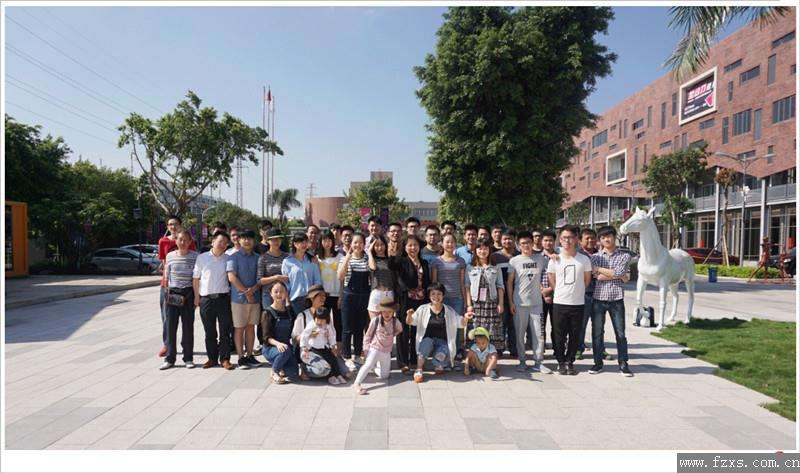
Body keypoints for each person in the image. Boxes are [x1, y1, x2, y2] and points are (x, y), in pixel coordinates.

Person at [546, 226, 592, 376]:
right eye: (564, 238)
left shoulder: (584, 260)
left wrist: (576, 291)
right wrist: (559, 291)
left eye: (571, 237)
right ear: (560, 240)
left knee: (575, 335)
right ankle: (560, 362)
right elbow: (551, 279)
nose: (567, 240)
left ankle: (569, 361)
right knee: (558, 335)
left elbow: (586, 280)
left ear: (576, 239)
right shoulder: (555, 260)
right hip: (559, 302)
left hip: (577, 303)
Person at [589, 226, 633, 377]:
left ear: (614, 237)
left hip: (616, 299)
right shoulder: (595, 257)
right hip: (598, 299)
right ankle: (597, 363)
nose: (606, 239)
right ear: (600, 240)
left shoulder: (624, 255)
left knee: (620, 333)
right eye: (603, 237)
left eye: (609, 236)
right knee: (597, 333)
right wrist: (617, 275)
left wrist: (600, 270)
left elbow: (620, 273)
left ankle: (623, 364)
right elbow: (596, 276)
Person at [406, 282, 471, 382]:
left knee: (444, 351)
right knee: (425, 345)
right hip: (428, 340)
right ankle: (419, 369)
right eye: (433, 294)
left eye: (439, 294)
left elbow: (461, 323)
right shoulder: (423, 309)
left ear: (443, 295)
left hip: (442, 342)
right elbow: (410, 322)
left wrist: (466, 318)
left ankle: (438, 364)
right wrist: (409, 315)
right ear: (429, 296)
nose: (436, 297)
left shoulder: (449, 310)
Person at [507, 230, 552, 374]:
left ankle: (538, 362)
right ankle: (522, 361)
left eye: (528, 242)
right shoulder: (514, 261)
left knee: (539, 334)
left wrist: (548, 289)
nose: (526, 245)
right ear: (518, 245)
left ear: (533, 243)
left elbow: (553, 267)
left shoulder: (541, 259)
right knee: (519, 335)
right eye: (523, 243)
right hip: (519, 303)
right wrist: (511, 302)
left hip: (537, 304)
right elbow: (509, 283)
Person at [193, 230, 235, 370]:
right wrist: (197, 297)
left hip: (223, 299)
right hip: (206, 300)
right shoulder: (202, 257)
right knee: (209, 331)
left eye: (225, 243)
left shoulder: (228, 259)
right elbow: (196, 278)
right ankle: (212, 358)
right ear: (213, 242)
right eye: (220, 241)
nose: (223, 245)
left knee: (225, 331)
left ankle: (225, 359)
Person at [157, 215, 196, 358]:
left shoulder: (188, 241)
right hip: (168, 285)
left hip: (186, 289)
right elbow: (163, 262)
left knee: (187, 321)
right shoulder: (163, 241)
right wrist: (166, 281)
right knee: (167, 318)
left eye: (175, 224)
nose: (172, 227)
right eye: (170, 224)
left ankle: (187, 351)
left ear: (180, 225)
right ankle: (167, 345)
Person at [227, 229, 262, 370]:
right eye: (244, 238)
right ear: (239, 240)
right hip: (239, 299)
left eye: (249, 238)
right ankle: (241, 357)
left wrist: (253, 290)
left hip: (255, 298)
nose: (247, 241)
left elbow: (260, 278)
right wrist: (246, 292)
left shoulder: (258, 257)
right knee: (239, 328)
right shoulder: (233, 257)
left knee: (251, 327)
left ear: (254, 241)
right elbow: (232, 277)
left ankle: (250, 355)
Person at [465, 237, 505, 355]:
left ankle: (492, 355)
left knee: (492, 329)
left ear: (489, 250)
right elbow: (467, 287)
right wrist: (469, 305)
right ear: (475, 250)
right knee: (476, 329)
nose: (482, 251)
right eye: (479, 248)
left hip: (491, 303)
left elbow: (500, 286)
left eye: (485, 248)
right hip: (476, 304)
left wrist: (501, 303)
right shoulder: (470, 267)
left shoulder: (495, 267)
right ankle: (477, 355)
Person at [353, 300, 403, 395]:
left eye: (389, 311)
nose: (387, 314)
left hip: (386, 351)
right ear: (381, 312)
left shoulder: (395, 321)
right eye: (384, 311)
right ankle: (357, 383)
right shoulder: (375, 320)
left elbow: (400, 329)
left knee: (385, 376)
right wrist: (366, 349)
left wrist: (392, 335)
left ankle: (374, 368)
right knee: (367, 365)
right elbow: (368, 335)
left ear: (393, 312)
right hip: (375, 348)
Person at [431, 233, 468, 360]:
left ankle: (456, 351)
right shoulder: (436, 261)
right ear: (442, 244)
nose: (449, 244)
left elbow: (462, 282)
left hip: (457, 298)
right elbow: (434, 283)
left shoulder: (461, 261)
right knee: (442, 326)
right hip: (442, 299)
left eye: (452, 242)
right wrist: (435, 301)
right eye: (447, 242)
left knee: (457, 326)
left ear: (455, 244)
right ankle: (442, 351)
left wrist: (465, 301)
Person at [337, 232, 371, 366]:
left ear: (364, 244)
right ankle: (346, 356)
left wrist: (370, 254)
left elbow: (372, 271)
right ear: (351, 244)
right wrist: (347, 256)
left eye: (360, 242)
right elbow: (340, 276)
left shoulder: (367, 258)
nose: (358, 245)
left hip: (364, 297)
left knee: (359, 327)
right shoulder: (344, 258)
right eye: (355, 242)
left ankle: (357, 354)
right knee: (347, 328)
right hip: (349, 296)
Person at [256, 228, 289, 347]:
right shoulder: (263, 258)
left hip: (283, 294)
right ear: (268, 241)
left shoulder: (287, 257)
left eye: (278, 239)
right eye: (273, 240)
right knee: (268, 320)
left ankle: (282, 344)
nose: (276, 242)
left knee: (282, 320)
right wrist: (276, 277)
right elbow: (259, 280)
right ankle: (267, 345)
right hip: (267, 295)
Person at [261, 281, 299, 384]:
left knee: (293, 374)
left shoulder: (289, 311)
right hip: (271, 348)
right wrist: (278, 344)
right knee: (284, 351)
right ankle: (274, 372)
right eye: (276, 291)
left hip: (286, 347)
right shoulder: (267, 313)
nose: (279, 294)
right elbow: (265, 337)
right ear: (271, 294)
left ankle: (280, 365)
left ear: (286, 293)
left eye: (282, 291)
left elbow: (295, 329)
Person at [300, 308, 347, 385]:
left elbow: (331, 336)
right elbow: (304, 335)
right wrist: (304, 347)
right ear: (314, 318)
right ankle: (331, 376)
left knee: (332, 359)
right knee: (326, 362)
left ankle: (338, 375)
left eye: (322, 320)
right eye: (317, 319)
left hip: (324, 347)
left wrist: (333, 346)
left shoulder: (327, 326)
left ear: (326, 319)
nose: (319, 322)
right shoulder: (312, 325)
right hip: (313, 348)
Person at [491, 228, 519, 358]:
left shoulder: (519, 255)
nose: (507, 241)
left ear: (514, 240)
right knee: (500, 323)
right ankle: (499, 349)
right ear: (501, 240)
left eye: (510, 239)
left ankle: (514, 349)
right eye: (505, 239)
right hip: (500, 295)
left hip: (516, 295)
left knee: (514, 324)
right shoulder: (494, 256)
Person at [282, 233, 323, 315]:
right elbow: (286, 283)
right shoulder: (287, 261)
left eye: (305, 242)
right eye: (301, 242)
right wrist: (287, 300)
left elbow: (317, 280)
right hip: (295, 300)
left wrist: (316, 296)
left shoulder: (312, 260)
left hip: (311, 298)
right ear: (295, 244)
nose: (304, 245)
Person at [576, 228, 599, 361]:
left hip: (600, 294)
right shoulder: (577, 255)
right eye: (587, 238)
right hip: (583, 294)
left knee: (598, 325)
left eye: (593, 238)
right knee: (581, 324)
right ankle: (578, 348)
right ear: (580, 241)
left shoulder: (601, 254)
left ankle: (599, 349)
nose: (590, 240)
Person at [318, 230, 343, 342]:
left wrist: (341, 295)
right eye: (324, 240)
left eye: (329, 240)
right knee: (323, 322)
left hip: (336, 294)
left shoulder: (340, 256)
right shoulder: (317, 258)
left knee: (338, 322)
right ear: (321, 242)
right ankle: (324, 344)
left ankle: (339, 346)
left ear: (333, 241)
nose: (327, 243)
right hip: (323, 295)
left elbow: (343, 278)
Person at [366, 235, 396, 319]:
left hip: (389, 293)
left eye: (382, 244)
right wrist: (369, 252)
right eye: (376, 245)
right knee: (375, 323)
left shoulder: (389, 260)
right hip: (377, 293)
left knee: (388, 323)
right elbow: (373, 267)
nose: (380, 248)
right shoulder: (372, 259)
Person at [540, 229, 557, 353]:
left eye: (551, 240)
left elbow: (563, 276)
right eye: (545, 240)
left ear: (554, 242)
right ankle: (541, 350)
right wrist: (543, 291)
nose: (548, 243)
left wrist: (550, 290)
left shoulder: (560, 257)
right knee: (540, 325)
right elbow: (534, 276)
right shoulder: (537, 258)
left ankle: (558, 349)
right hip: (540, 295)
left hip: (557, 295)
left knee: (557, 325)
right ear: (541, 242)